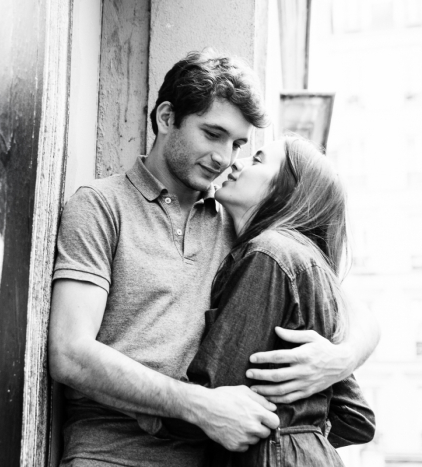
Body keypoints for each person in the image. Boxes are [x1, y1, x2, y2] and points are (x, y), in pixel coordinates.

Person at [49, 50, 380, 466]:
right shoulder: (101, 206)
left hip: (220, 457)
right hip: (114, 454)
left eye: (239, 144)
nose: (225, 157)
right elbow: (69, 352)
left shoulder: (241, 226)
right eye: (213, 134)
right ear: (167, 118)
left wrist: (340, 359)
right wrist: (197, 405)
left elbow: (347, 304)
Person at [135, 135, 376, 465]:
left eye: (258, 160)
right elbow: (357, 419)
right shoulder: (305, 264)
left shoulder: (268, 254)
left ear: (287, 191)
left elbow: (212, 391)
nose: (236, 162)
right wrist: (299, 429)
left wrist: (137, 404)